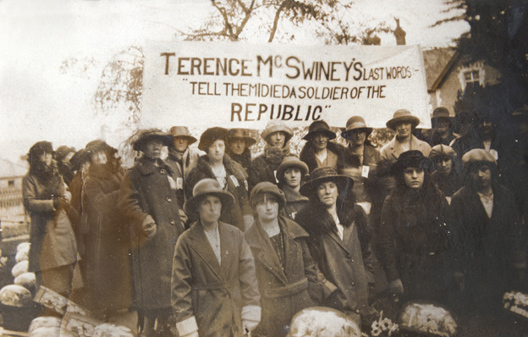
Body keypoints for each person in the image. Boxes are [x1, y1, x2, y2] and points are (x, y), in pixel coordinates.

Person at [172, 179, 261, 337]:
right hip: (205, 316)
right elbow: (180, 288)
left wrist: (251, 309)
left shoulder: (235, 235)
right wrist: (188, 326)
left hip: (235, 312)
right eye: (206, 203)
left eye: (216, 202)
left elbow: (248, 275)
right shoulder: (186, 240)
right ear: (198, 207)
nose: (212, 208)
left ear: (222, 206)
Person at [119, 129, 185, 337]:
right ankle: (149, 330)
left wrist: (180, 213)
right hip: (152, 241)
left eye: (160, 143)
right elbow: (127, 203)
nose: (156, 147)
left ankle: (168, 327)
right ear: (142, 147)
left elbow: (174, 197)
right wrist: (144, 220)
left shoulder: (168, 170)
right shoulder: (134, 174)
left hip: (173, 235)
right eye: (151, 144)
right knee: (154, 291)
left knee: (173, 284)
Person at [244, 182, 329, 337]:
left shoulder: (296, 231)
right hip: (270, 314)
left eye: (272, 201)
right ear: (255, 208)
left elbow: (310, 267)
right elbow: (247, 284)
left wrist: (312, 298)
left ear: (279, 204)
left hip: (302, 307)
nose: (268, 207)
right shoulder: (248, 242)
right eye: (262, 203)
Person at [295, 167, 377, 326]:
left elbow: (367, 251)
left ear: (339, 190)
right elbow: (311, 265)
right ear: (315, 193)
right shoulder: (309, 223)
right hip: (335, 300)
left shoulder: (355, 215)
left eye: (331, 186)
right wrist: (330, 291)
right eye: (321, 187)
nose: (327, 191)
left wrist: (368, 279)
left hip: (362, 296)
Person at [450, 149, 525, 314]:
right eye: (474, 171)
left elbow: (515, 232)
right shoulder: (460, 199)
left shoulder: (505, 195)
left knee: (506, 315)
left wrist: (519, 263)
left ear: (492, 170)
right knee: (480, 317)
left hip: (503, 267)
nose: (480, 175)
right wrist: (458, 270)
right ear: (468, 174)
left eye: (484, 169)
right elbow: (455, 239)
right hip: (475, 271)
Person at [377, 151, 451, 303]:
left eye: (419, 171)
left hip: (436, 267)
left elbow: (449, 234)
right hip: (407, 269)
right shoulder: (392, 201)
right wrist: (394, 277)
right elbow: (386, 241)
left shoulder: (437, 197)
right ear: (401, 175)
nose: (415, 176)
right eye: (409, 172)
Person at [81, 140, 136, 332]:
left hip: (124, 228)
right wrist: (123, 193)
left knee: (126, 267)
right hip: (104, 232)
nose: (100, 157)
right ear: (91, 159)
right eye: (95, 155)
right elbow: (101, 203)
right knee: (108, 270)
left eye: (102, 153)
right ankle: (110, 310)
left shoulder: (118, 172)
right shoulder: (91, 180)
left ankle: (125, 305)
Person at [22, 141, 80, 298]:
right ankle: (50, 309)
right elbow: (29, 202)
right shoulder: (29, 179)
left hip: (61, 224)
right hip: (43, 228)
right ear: (35, 158)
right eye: (41, 154)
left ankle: (69, 303)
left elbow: (66, 189)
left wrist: (66, 197)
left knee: (67, 265)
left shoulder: (57, 173)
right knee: (48, 268)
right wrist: (52, 203)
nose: (45, 157)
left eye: (47, 153)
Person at [186, 127, 253, 231]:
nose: (217, 150)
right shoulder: (197, 174)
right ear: (207, 149)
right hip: (211, 228)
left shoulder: (235, 171)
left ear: (225, 147)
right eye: (213, 146)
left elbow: (244, 201)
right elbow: (193, 205)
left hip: (237, 228)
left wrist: (248, 225)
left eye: (220, 145)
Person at [248, 120, 293, 191]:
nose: (278, 138)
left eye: (281, 134)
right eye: (274, 134)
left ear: (285, 137)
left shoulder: (293, 159)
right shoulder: (258, 163)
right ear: (268, 138)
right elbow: (255, 191)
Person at [166, 126, 199, 208]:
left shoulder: (197, 159)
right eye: (177, 138)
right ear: (171, 141)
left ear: (188, 141)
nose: (181, 141)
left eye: (184, 138)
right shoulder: (165, 163)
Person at [276, 156, 309, 220]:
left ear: (301, 174)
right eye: (288, 172)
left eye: (296, 171)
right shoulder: (281, 200)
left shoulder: (310, 195)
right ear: (283, 176)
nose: (293, 175)